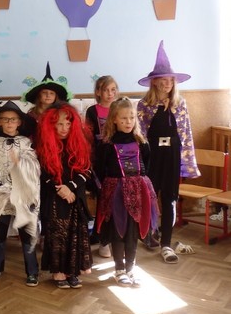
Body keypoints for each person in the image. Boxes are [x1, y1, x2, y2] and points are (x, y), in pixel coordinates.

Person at [137, 40, 200, 264]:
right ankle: (149, 233)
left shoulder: (180, 104)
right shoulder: (144, 105)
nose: (167, 84)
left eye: (170, 80)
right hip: (152, 156)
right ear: (154, 82)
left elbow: (186, 133)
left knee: (170, 199)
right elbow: (140, 135)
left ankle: (166, 243)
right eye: (163, 80)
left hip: (172, 155)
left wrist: (187, 163)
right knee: (150, 196)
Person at [95, 97, 158, 286]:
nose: (128, 122)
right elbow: (100, 169)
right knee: (118, 230)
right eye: (123, 118)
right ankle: (119, 269)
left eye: (131, 117)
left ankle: (131, 268)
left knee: (132, 231)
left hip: (138, 191)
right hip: (115, 192)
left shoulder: (141, 142)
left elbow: (147, 165)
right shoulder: (106, 144)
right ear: (114, 119)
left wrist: (137, 183)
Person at [0, 100, 41, 286]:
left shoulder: (26, 143)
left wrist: (20, 164)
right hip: (0, 197)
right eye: (5, 119)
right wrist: (0, 188)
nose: (9, 123)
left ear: (19, 122)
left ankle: (32, 271)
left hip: (22, 197)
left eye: (13, 119)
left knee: (27, 235)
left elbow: (34, 169)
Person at [36, 102, 93, 289]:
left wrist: (70, 187)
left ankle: (72, 272)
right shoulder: (43, 146)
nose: (64, 128)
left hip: (75, 196)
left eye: (68, 124)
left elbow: (86, 171)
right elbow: (43, 174)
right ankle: (58, 272)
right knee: (57, 233)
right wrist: (60, 189)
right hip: (54, 198)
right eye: (59, 124)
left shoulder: (80, 143)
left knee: (74, 233)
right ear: (51, 125)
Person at [84, 75, 119, 259]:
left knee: (115, 198)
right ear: (98, 92)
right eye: (106, 90)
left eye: (113, 89)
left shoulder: (120, 107)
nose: (110, 93)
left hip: (118, 159)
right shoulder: (92, 111)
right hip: (100, 160)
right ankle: (99, 234)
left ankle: (111, 235)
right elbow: (89, 138)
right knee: (102, 197)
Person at [21, 62, 72, 139]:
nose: (48, 95)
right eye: (44, 92)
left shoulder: (62, 113)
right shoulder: (31, 115)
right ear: (39, 96)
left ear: (55, 97)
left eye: (52, 93)